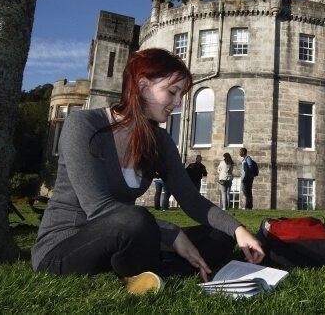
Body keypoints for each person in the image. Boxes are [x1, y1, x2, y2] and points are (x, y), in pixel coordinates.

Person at [31, 48, 264, 295]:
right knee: (135, 219)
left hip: (128, 241)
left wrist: (238, 230)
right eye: (172, 92)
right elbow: (98, 208)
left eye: (181, 95)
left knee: (221, 234)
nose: (177, 103)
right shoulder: (84, 125)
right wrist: (172, 234)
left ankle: (149, 272)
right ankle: (159, 266)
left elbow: (191, 198)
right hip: (66, 246)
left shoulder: (159, 141)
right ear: (142, 86)